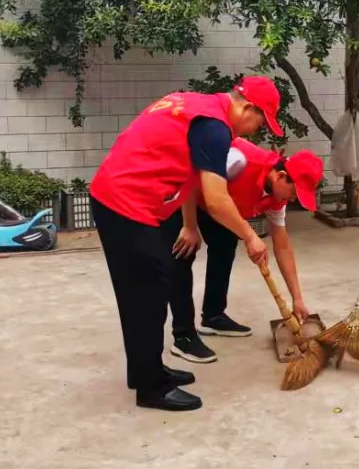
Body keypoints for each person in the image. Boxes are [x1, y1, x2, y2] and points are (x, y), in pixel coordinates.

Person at [88, 77, 283, 412]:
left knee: (156, 284)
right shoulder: (214, 126)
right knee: (145, 296)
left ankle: (149, 369)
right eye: (260, 122)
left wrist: (190, 224)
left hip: (138, 200)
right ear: (247, 107)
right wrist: (251, 236)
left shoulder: (195, 105)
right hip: (125, 202)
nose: (255, 130)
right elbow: (217, 199)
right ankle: (151, 389)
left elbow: (186, 173)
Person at [161, 141, 324, 363]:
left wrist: (297, 299)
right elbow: (191, 174)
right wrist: (189, 226)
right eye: (294, 193)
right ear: (280, 176)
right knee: (183, 253)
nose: (293, 199)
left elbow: (283, 247)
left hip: (217, 203)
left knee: (225, 245)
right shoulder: (239, 160)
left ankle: (213, 316)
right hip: (183, 192)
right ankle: (184, 337)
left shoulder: (278, 198)